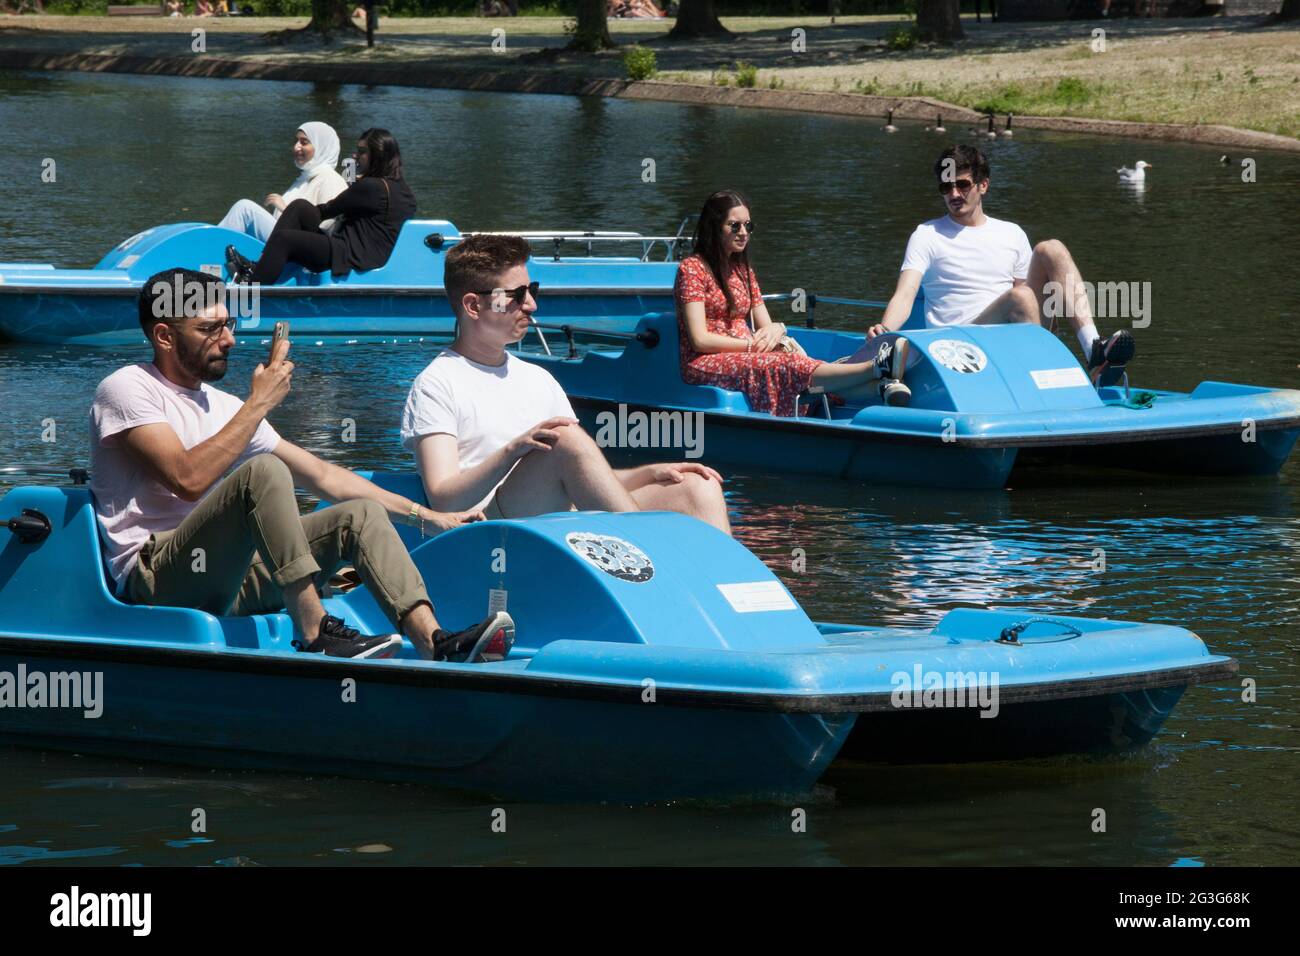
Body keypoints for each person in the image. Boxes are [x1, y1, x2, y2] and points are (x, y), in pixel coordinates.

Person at [90, 267, 513, 663]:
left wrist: (429, 518)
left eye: (228, 325)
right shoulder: (127, 388)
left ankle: (434, 643)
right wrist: (258, 405)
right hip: (158, 578)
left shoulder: (227, 408)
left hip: (230, 576)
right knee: (263, 472)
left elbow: (324, 476)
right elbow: (187, 479)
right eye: (209, 329)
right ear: (164, 336)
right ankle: (314, 632)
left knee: (359, 516)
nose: (229, 340)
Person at [401, 234, 731, 534]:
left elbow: (582, 476)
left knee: (697, 487)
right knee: (566, 440)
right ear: (473, 305)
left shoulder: (538, 378)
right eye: (516, 295)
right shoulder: (436, 383)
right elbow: (443, 500)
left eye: (533, 290)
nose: (531, 304)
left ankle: (729, 595)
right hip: (487, 532)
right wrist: (514, 450)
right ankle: (649, 559)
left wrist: (651, 472)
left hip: (556, 518)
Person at [866, 145, 1135, 387]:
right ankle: (1040, 377)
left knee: (1051, 249)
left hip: (1011, 334)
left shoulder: (1012, 233)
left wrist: (1051, 314)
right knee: (1019, 296)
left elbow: (1030, 301)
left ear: (983, 185)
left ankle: (1093, 350)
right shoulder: (927, 234)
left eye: (962, 185)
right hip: (956, 342)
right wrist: (884, 333)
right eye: (946, 188)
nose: (954, 194)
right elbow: (905, 293)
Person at [676, 189, 911, 416]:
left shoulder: (742, 269)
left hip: (747, 352)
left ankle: (880, 388)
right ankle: (876, 367)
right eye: (734, 225)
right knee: (784, 366)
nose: (744, 232)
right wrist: (750, 347)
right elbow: (699, 340)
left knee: (794, 358)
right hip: (705, 361)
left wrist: (777, 329)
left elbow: (766, 324)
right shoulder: (693, 269)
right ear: (714, 227)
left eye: (748, 226)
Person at [225, 128, 415, 287]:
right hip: (370, 254)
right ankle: (258, 267)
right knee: (299, 207)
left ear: (378, 156)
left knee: (286, 238)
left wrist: (354, 184)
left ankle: (254, 284)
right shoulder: (404, 191)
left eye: (362, 152)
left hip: (349, 255)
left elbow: (328, 210)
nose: (355, 156)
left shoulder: (371, 186)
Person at [217, 123, 347, 243]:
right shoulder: (305, 178)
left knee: (244, 209)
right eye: (296, 141)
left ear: (321, 146)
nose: (296, 147)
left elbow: (328, 228)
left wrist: (285, 209)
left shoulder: (331, 179)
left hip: (303, 249)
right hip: (286, 242)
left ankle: (208, 248)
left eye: (304, 142)